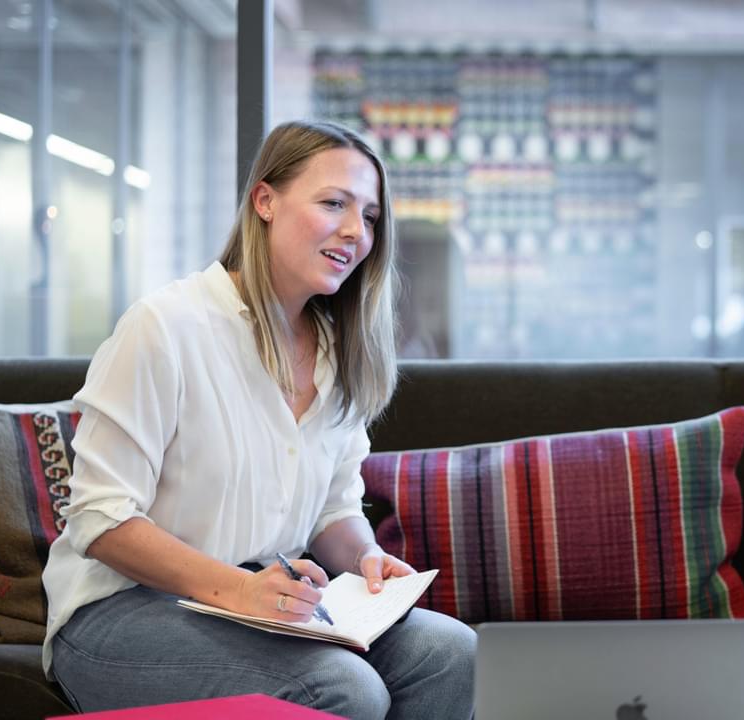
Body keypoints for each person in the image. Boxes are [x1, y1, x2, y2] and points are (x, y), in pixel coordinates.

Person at [40, 120, 476, 719]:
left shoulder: (336, 350)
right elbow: (100, 517)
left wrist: (364, 559)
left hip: (264, 606)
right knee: (345, 690)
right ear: (264, 201)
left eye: (371, 217)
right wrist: (241, 590)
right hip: (120, 612)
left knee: (449, 651)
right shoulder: (165, 328)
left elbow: (333, 510)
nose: (356, 231)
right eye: (334, 204)